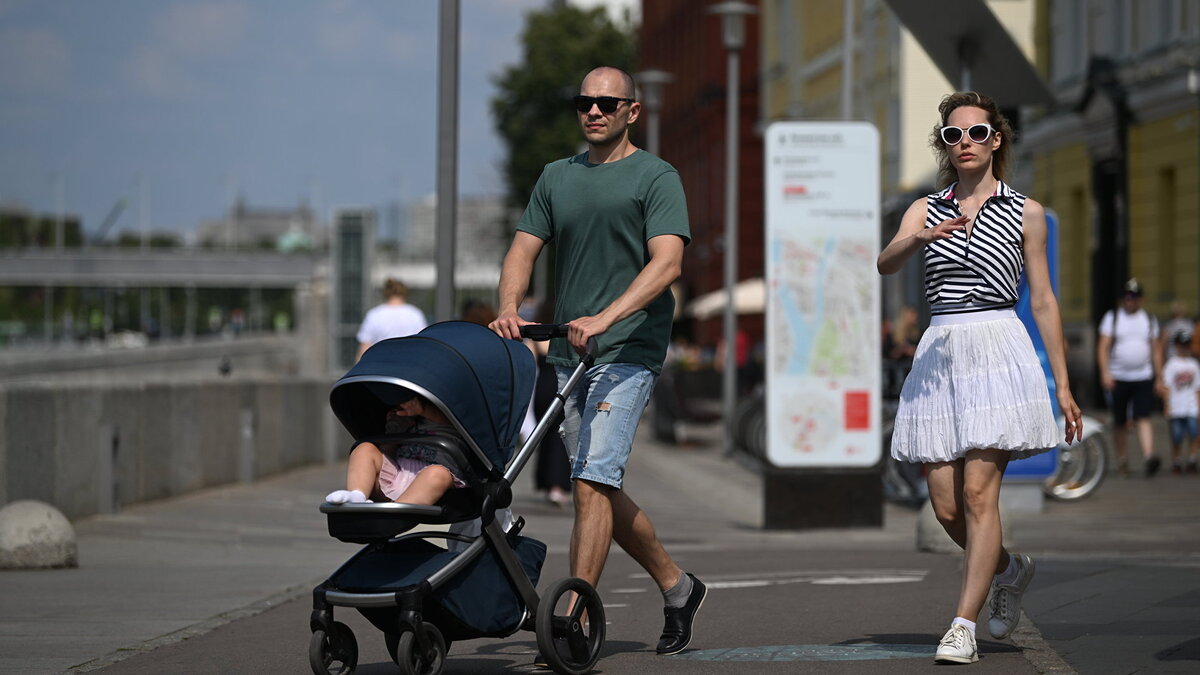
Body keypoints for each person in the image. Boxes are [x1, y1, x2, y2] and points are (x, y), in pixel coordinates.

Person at [488, 66, 705, 658]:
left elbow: (666, 265)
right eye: (584, 101)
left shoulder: (656, 176)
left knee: (589, 481)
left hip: (628, 351)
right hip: (567, 352)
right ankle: (678, 587)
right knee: (599, 483)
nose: (594, 111)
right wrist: (509, 308)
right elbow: (522, 248)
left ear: (632, 111)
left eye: (608, 103)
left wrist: (607, 318)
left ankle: (575, 621)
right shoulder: (557, 176)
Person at [877, 91, 1082, 665]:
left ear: (996, 140)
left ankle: (962, 624)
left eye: (975, 133)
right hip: (941, 350)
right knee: (944, 505)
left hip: (997, 345)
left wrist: (1062, 384)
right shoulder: (926, 207)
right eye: (952, 135)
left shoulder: (1026, 210)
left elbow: (1042, 299)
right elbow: (885, 260)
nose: (963, 142)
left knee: (977, 494)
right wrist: (919, 238)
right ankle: (1009, 570)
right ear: (945, 146)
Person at [325, 391, 469, 505]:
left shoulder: (453, 416)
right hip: (398, 472)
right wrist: (395, 428)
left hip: (437, 476)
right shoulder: (404, 416)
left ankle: (395, 517)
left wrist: (423, 410)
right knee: (365, 448)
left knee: (436, 474)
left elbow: (452, 419)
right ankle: (357, 495)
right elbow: (387, 452)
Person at [1097, 278, 1163, 477]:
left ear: (1140, 299)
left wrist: (1159, 377)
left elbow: (1156, 350)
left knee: (1143, 416)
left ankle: (1149, 456)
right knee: (1119, 421)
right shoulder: (1113, 317)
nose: (1129, 301)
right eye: (1126, 297)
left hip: (1143, 376)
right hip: (1118, 377)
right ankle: (1122, 460)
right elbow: (1103, 346)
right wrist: (1105, 372)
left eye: (1133, 297)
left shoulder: (1149, 319)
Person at [355, 278, 428, 361]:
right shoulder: (415, 314)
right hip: (409, 363)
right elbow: (423, 343)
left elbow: (365, 345)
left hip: (381, 363)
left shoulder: (375, 314)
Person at [1162, 332, 1200, 474]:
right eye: (1181, 346)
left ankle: (1192, 459)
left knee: (1194, 434)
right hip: (1176, 407)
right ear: (1176, 346)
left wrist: (1198, 406)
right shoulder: (1172, 364)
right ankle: (1176, 460)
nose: (1183, 349)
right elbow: (1167, 387)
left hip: (1191, 407)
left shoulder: (1194, 364)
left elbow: (1197, 388)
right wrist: (1167, 404)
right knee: (1176, 437)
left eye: (1186, 346)